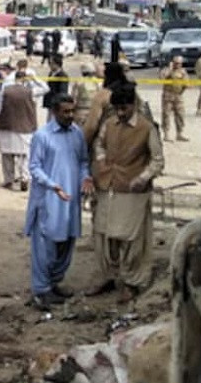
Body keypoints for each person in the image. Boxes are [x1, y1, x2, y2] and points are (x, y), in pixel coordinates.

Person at [88, 82, 164, 302]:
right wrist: (102, 162)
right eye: (117, 109)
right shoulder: (110, 123)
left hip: (133, 191)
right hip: (108, 186)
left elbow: (157, 161)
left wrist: (142, 178)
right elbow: (99, 145)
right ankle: (108, 276)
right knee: (104, 233)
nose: (120, 113)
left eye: (124, 109)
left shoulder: (147, 128)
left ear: (133, 105)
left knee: (132, 237)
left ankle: (132, 282)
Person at [25, 94, 93, 310]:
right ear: (54, 111)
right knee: (45, 247)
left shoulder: (77, 134)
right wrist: (53, 185)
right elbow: (34, 167)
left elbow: (83, 161)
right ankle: (41, 290)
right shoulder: (42, 136)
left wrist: (85, 178)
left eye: (72, 111)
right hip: (49, 200)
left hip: (71, 199)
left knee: (67, 243)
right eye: (65, 112)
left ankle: (54, 284)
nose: (70, 115)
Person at [0, 70, 40, 191]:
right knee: (24, 156)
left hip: (7, 125)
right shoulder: (30, 92)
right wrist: (34, 79)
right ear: (24, 79)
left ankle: (8, 180)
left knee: (6, 156)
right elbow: (45, 88)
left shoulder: (5, 90)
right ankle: (25, 178)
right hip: (25, 128)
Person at [160, 55, 189, 142]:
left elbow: (186, 84)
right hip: (168, 96)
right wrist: (169, 69)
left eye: (180, 63)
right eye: (176, 63)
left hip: (178, 96)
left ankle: (179, 134)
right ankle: (166, 134)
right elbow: (162, 77)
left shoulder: (183, 72)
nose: (178, 65)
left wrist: (182, 91)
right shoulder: (167, 70)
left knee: (180, 115)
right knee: (166, 115)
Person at [72, 62, 100, 127]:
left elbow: (74, 100)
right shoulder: (98, 83)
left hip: (80, 113)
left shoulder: (79, 83)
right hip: (94, 113)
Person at [43, 54, 69, 123]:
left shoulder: (63, 75)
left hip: (56, 104)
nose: (49, 65)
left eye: (51, 63)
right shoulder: (51, 73)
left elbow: (63, 91)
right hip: (50, 104)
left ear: (57, 64)